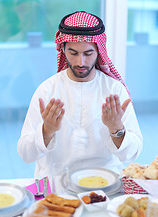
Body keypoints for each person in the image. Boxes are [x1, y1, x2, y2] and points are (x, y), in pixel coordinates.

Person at [17, 11, 143, 179]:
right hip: (57, 187)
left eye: (88, 53)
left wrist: (116, 129)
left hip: (105, 186)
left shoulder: (114, 90)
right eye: (73, 53)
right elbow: (26, 155)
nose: (80, 62)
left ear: (99, 50)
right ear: (63, 49)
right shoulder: (47, 90)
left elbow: (132, 154)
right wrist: (46, 131)